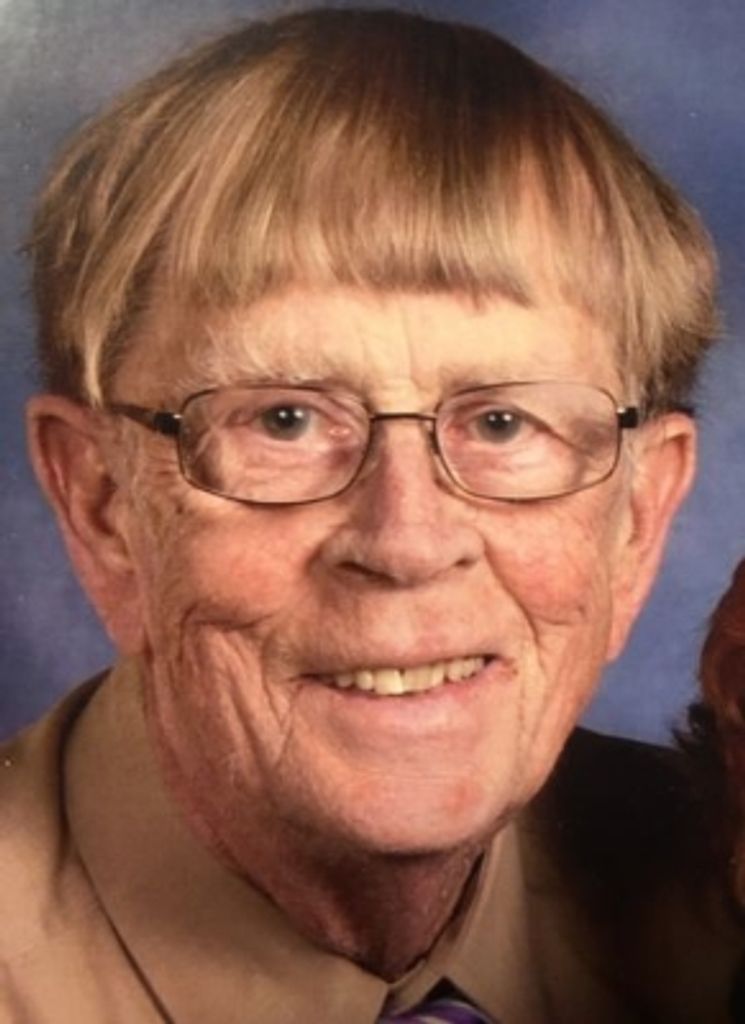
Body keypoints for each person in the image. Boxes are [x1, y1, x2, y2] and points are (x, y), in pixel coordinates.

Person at [1, 6, 741, 1021]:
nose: (405, 540)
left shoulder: (722, 899)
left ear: (637, 520)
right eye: (286, 419)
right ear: (102, 506)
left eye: (502, 422)